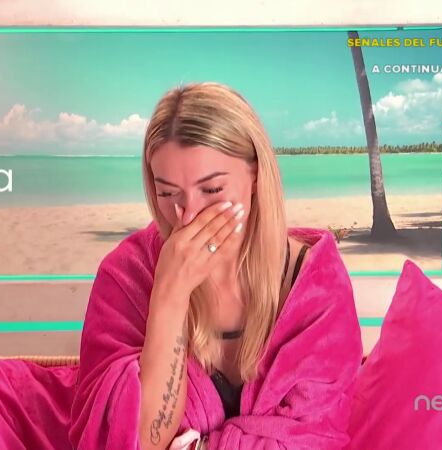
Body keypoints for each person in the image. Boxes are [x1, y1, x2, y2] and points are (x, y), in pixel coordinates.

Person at [69, 82, 363, 450]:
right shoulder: (125, 274)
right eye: (167, 193)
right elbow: (133, 441)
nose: (189, 215)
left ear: (255, 175)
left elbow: (315, 437)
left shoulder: (317, 283)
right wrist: (170, 296)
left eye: (211, 190)